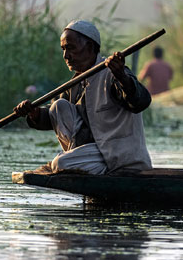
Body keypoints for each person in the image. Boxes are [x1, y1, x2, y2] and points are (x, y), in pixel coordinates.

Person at [14, 20, 152, 175]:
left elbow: (141, 101)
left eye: (71, 48)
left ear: (89, 48)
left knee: (61, 163)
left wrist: (121, 76)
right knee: (58, 106)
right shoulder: (75, 83)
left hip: (119, 156)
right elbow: (53, 116)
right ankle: (80, 161)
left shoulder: (114, 74)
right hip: (91, 153)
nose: (66, 55)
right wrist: (34, 113)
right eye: (63, 49)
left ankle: (91, 167)